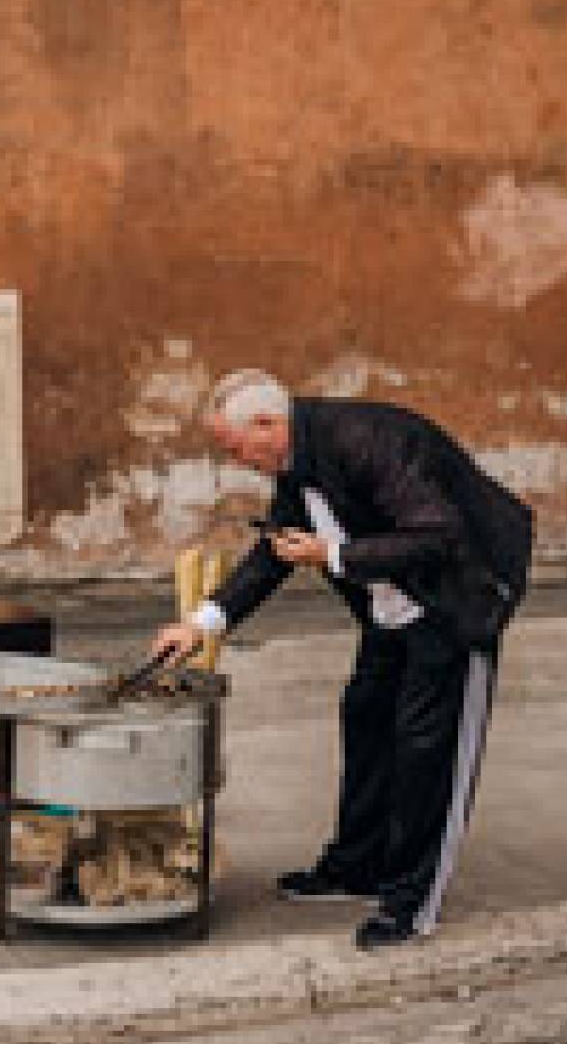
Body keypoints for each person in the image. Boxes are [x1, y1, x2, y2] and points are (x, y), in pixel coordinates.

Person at [152, 371, 533, 948]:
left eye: (234, 447)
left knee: (428, 748)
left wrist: (333, 554)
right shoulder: (296, 462)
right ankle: (357, 864)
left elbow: (438, 534)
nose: (235, 461)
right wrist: (200, 624)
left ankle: (410, 903)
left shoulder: (366, 441)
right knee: (366, 716)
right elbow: (272, 557)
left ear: (267, 425)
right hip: (392, 600)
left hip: (460, 596)